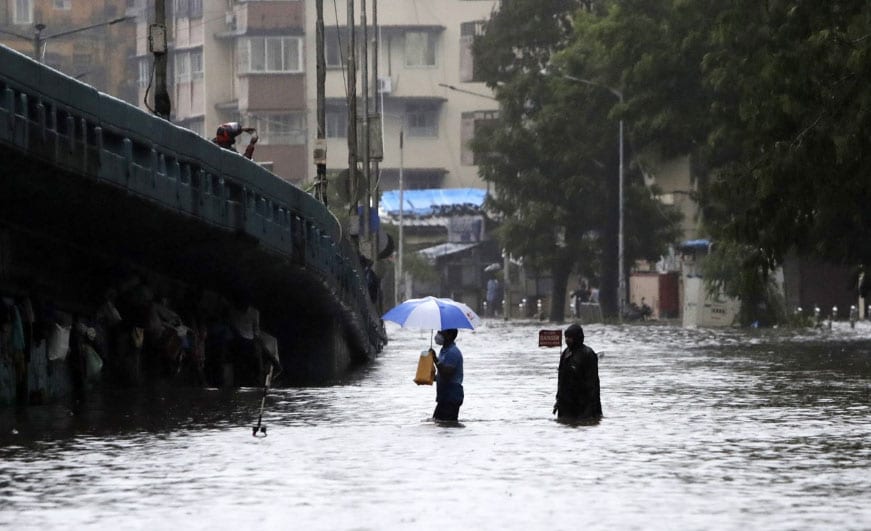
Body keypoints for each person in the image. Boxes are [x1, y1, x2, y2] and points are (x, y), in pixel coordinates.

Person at [553, 323, 602, 420]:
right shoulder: (565, 353)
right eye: (566, 337)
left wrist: (591, 409)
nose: (567, 340)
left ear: (577, 338)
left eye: (570, 337)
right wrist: (558, 400)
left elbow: (593, 384)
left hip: (583, 404)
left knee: (583, 424)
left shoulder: (587, 354)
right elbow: (561, 380)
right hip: (566, 404)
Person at [431, 328, 464, 421]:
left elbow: (447, 374)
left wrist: (435, 359)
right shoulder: (444, 350)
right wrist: (430, 378)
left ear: (449, 335)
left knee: (446, 425)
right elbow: (442, 375)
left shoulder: (452, 352)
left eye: (441, 332)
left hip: (451, 397)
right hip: (444, 397)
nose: (438, 334)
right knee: (439, 423)